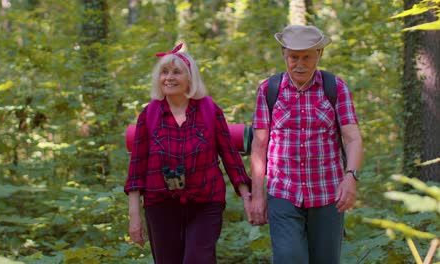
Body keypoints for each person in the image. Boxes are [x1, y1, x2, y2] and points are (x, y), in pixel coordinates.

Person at [124, 43, 252, 264]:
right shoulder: (149, 115)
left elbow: (230, 156)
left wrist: (248, 197)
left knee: (198, 259)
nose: (169, 78)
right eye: (164, 72)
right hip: (160, 203)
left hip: (205, 201)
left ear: (190, 78)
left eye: (176, 72)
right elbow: (137, 168)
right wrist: (134, 215)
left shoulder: (209, 110)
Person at [249, 25, 363, 264]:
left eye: (307, 57)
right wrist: (257, 196)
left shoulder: (335, 87)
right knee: (289, 258)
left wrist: (351, 177)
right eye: (293, 57)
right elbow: (259, 146)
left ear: (319, 55)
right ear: (284, 55)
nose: (299, 64)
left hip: (327, 192)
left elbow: (352, 138)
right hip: (283, 191)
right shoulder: (269, 90)